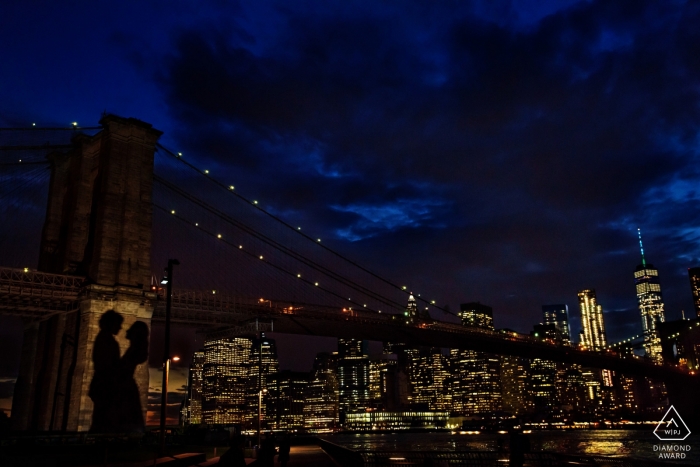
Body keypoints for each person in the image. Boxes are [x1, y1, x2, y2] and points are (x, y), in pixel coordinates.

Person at [89, 310, 123, 432]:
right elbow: (108, 367)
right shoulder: (107, 341)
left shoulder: (103, 338)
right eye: (118, 324)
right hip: (105, 387)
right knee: (103, 421)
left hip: (101, 386)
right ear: (111, 323)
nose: (120, 327)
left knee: (100, 420)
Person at [117, 320, 149, 432]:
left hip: (124, 389)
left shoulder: (133, 352)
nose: (126, 329)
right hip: (127, 388)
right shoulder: (133, 351)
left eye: (131, 328)